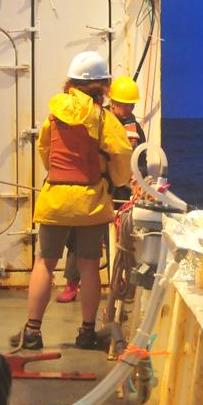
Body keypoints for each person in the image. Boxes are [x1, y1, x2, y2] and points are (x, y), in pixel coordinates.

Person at [13, 51, 131, 350]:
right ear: (104, 85)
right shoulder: (104, 119)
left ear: (71, 83)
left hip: (55, 200)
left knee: (44, 263)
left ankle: (32, 332)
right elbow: (121, 160)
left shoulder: (54, 116)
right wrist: (116, 183)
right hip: (91, 203)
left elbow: (45, 152)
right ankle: (87, 332)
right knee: (89, 266)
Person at [56, 74, 145, 303]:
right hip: (96, 186)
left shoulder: (135, 128)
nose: (128, 108)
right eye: (125, 104)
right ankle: (71, 283)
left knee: (121, 238)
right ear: (113, 101)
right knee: (79, 236)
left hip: (122, 193)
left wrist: (139, 182)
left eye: (131, 104)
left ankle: (120, 280)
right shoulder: (99, 119)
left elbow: (139, 159)